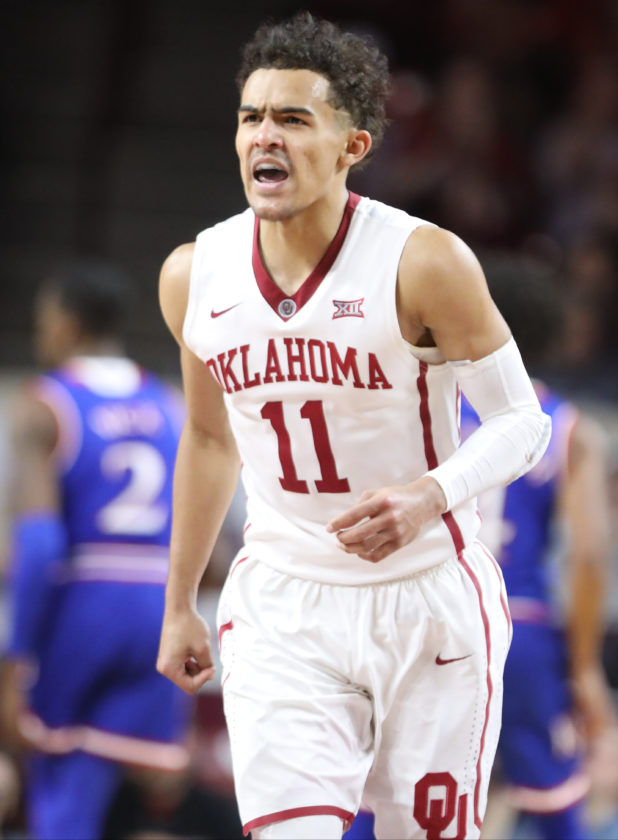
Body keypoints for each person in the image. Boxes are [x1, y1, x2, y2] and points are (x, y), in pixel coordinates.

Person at [156, 13, 551, 840]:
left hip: (427, 597)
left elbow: (521, 421)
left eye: (293, 119)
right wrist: (180, 599)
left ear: (352, 146)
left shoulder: (423, 260)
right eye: (251, 117)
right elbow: (209, 439)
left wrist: (430, 495)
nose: (265, 136)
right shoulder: (196, 273)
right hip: (282, 603)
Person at [0, 259, 194, 840]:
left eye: (45, 317)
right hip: (159, 607)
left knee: (58, 785)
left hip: (83, 604)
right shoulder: (170, 405)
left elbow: (39, 545)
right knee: (130, 796)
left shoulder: (45, 404)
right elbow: (207, 543)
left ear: (68, 323)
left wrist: (17, 657)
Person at [458, 255, 617, 840]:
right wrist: (584, 668)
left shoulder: (428, 409)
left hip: (430, 617)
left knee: (391, 802)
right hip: (518, 624)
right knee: (556, 808)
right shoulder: (568, 427)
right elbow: (589, 555)